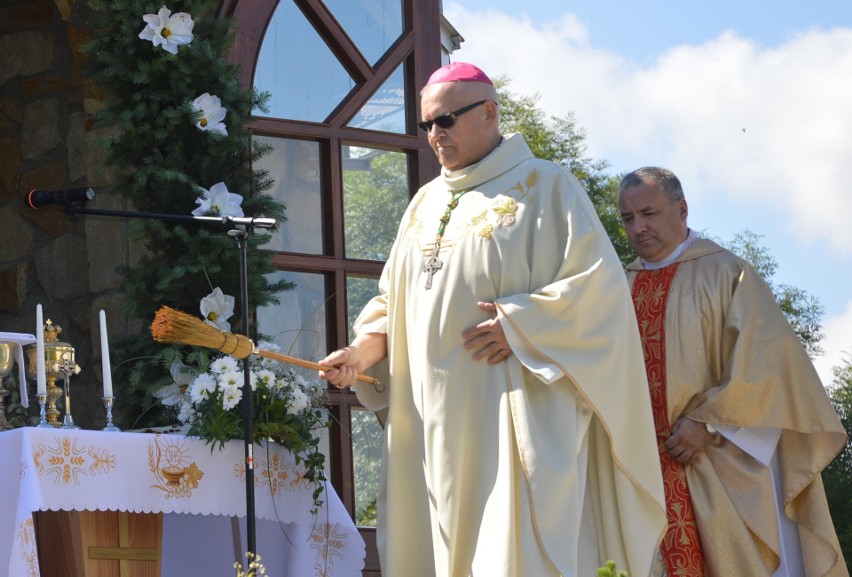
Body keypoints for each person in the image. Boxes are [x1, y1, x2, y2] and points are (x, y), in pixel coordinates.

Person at [319, 62, 666, 577]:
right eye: (426, 126)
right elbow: (395, 300)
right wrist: (362, 352)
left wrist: (523, 325)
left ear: (489, 113)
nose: (435, 135)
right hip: (427, 421)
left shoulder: (547, 186)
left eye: (447, 120)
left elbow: (599, 288)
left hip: (509, 412)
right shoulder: (422, 203)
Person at [618, 166, 848, 577]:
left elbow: (772, 366)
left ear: (682, 208)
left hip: (715, 463)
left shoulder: (726, 273)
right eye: (628, 218)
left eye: (649, 213)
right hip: (641, 473)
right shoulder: (619, 287)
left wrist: (708, 423)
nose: (639, 228)